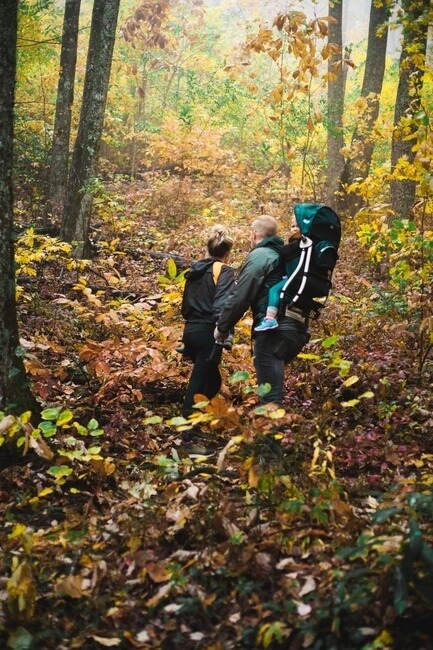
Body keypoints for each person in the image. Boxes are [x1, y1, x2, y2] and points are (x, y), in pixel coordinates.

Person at [214, 214, 309, 406]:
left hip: (274, 331)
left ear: (254, 234)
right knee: (271, 389)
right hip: (297, 329)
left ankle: (272, 434)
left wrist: (222, 327)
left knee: (270, 398)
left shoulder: (260, 256)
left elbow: (240, 296)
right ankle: (275, 432)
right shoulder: (285, 255)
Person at [180, 225, 235, 427]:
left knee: (212, 382)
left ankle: (198, 421)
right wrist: (224, 334)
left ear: (207, 250)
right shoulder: (225, 271)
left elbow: (186, 303)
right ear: (227, 254)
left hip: (190, 331)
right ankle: (187, 434)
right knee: (197, 384)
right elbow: (223, 305)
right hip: (208, 334)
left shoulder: (194, 271)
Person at [254, 214, 302, 332]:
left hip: (295, 278)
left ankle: (270, 318)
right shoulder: (297, 245)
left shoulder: (301, 244)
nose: (295, 229)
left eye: (298, 226)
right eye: (292, 226)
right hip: (293, 277)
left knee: (274, 290)